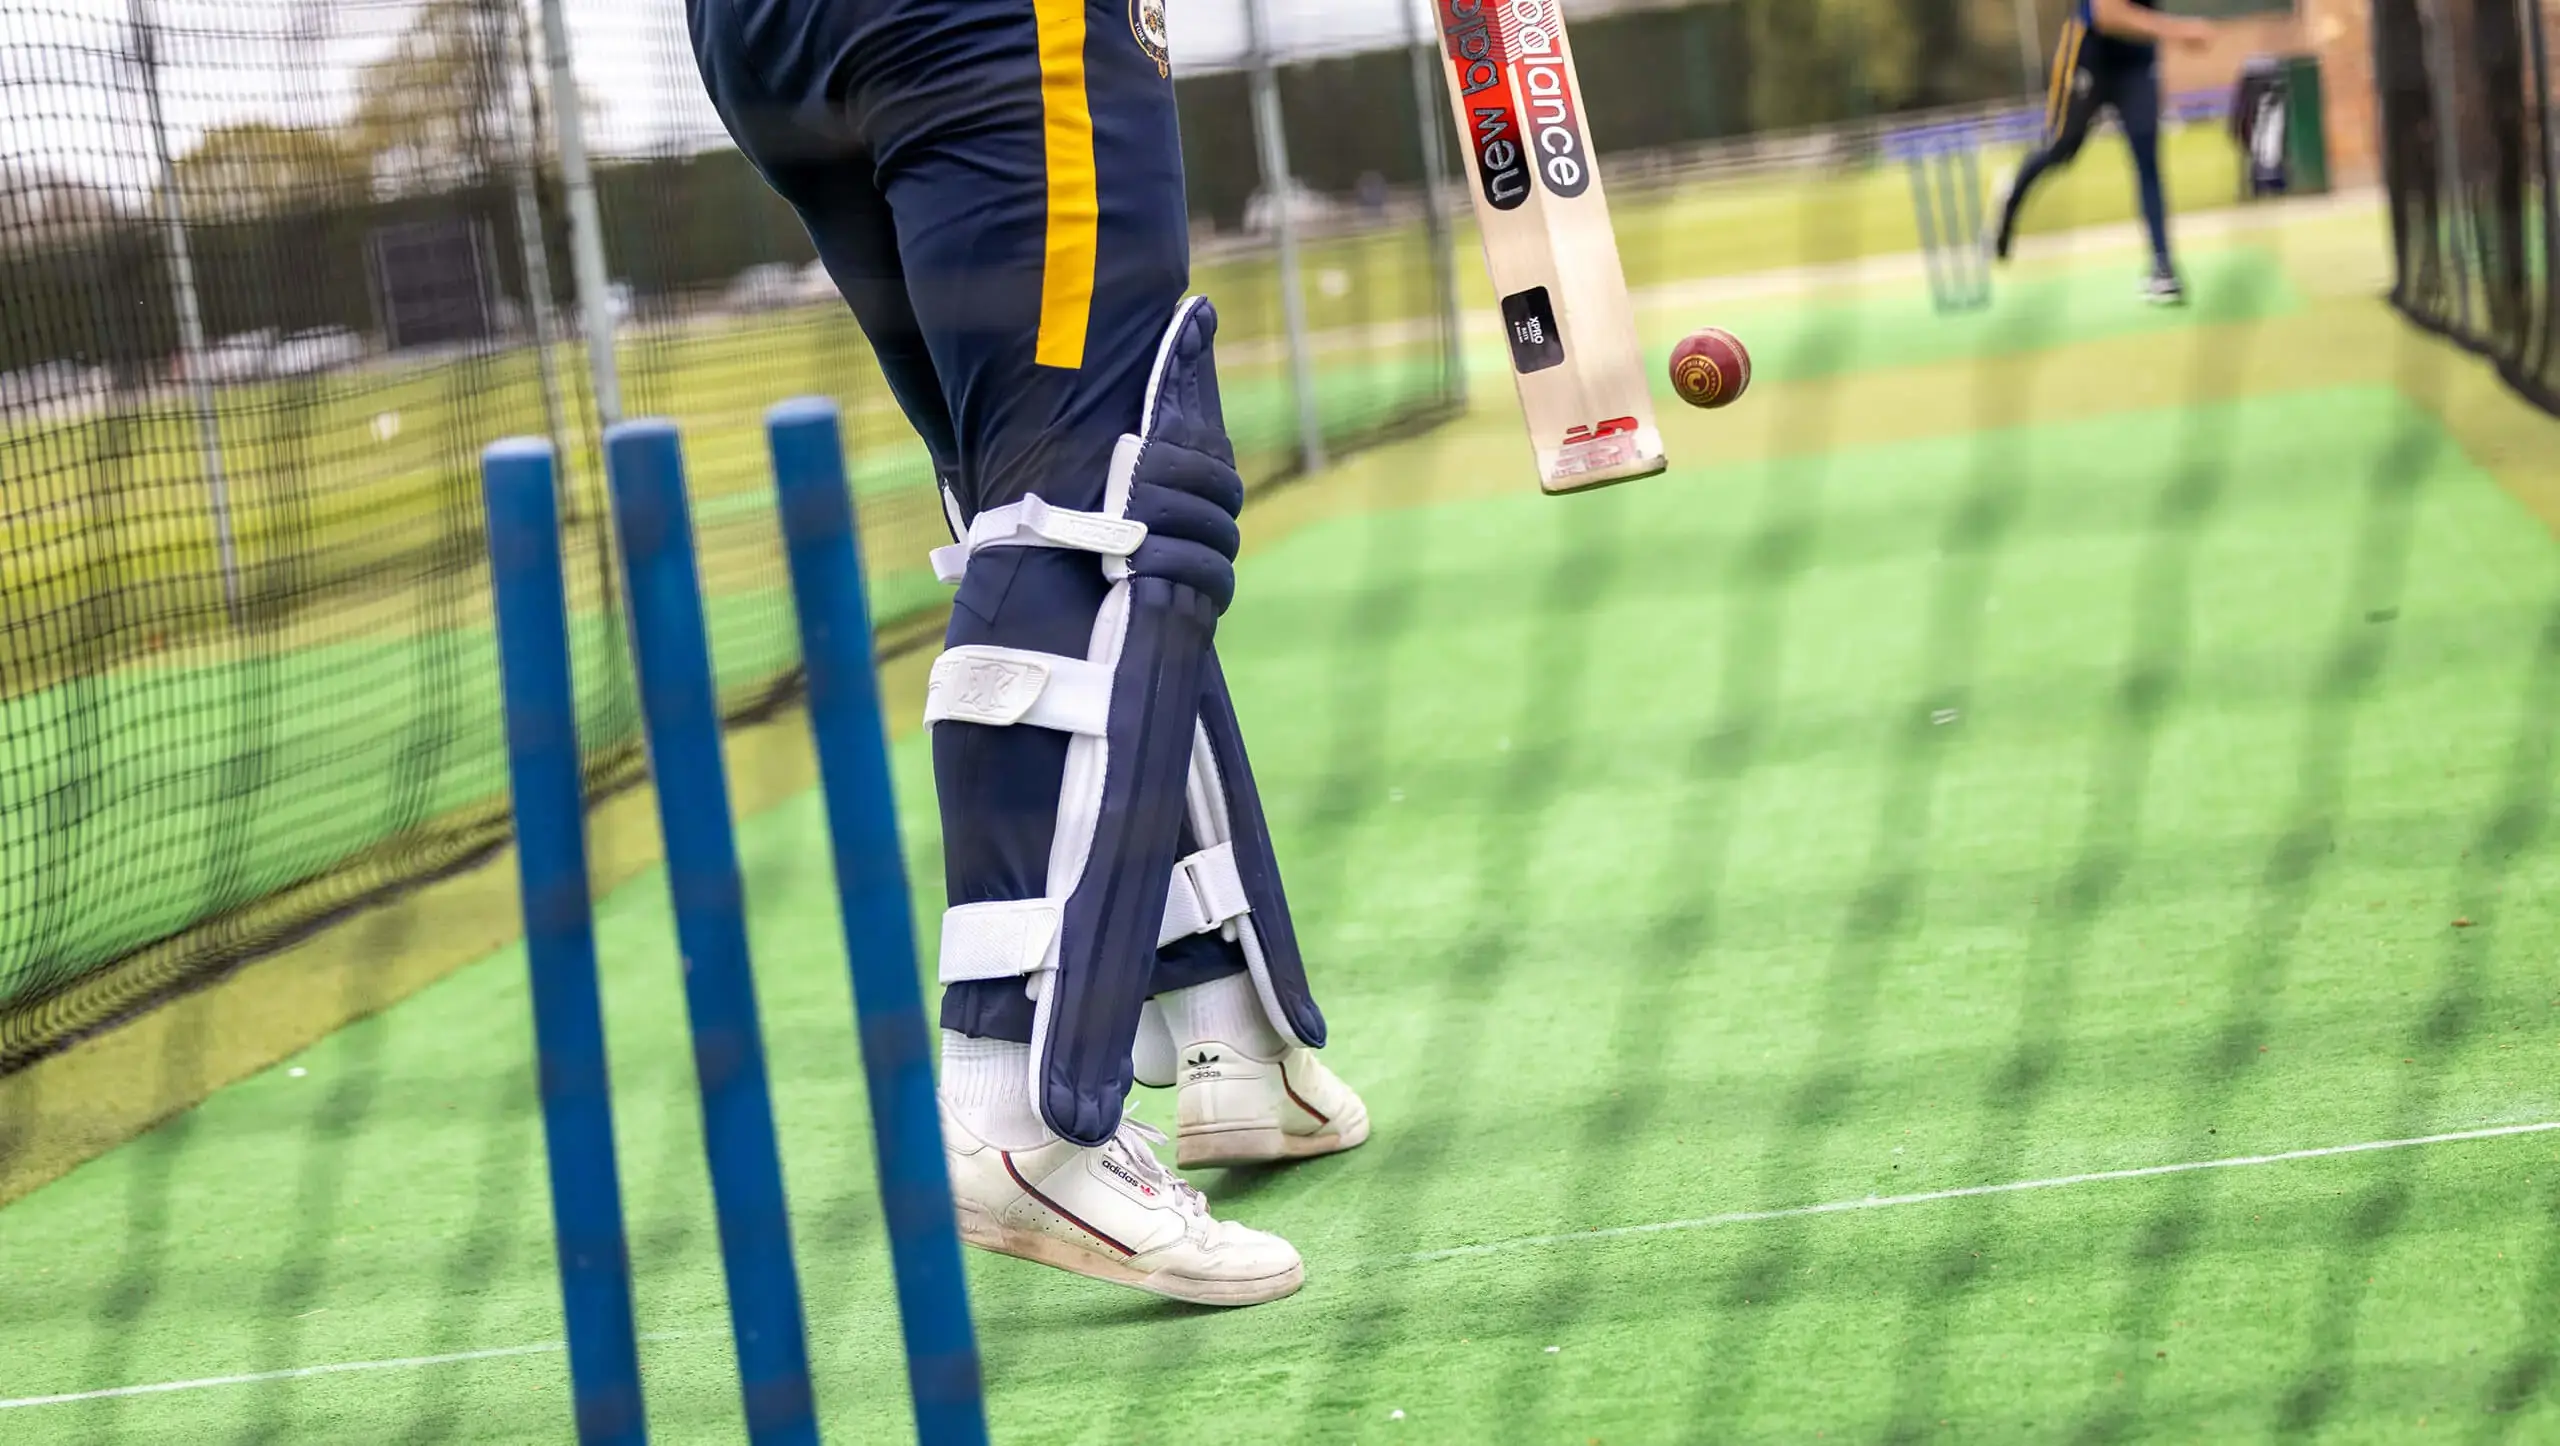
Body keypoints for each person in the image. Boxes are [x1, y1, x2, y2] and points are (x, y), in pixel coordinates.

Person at [686, 0, 1369, 1309]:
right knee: (1096, 498)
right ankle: (1012, 1112)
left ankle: (1222, 1023)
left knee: (1028, 496)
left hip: (762, 37)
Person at [1987, 0, 2215, 304]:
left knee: (2147, 158)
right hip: (2089, 52)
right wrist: (2178, 30)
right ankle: (2011, 197)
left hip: (2137, 57)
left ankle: (2163, 267)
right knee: (2060, 149)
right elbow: (2107, 14)